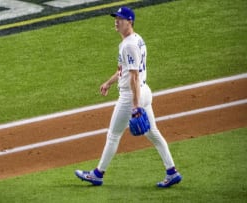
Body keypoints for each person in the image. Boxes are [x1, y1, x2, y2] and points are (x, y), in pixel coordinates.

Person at [75, 6, 182, 188]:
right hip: (144, 91)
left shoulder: (129, 45)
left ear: (130, 21)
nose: (117, 21)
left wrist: (134, 106)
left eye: (121, 19)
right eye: (116, 18)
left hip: (131, 96)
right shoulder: (136, 40)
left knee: (113, 135)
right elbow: (123, 71)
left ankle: (97, 174)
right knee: (153, 133)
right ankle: (172, 172)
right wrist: (108, 83)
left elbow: (133, 76)